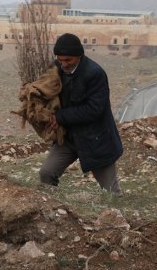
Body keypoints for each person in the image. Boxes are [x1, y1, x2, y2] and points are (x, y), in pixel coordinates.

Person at [40, 33, 123, 195]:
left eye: (68, 60)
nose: (63, 64)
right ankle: (52, 207)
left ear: (79, 56)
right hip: (69, 138)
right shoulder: (57, 69)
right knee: (47, 173)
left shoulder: (95, 74)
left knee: (112, 193)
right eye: (60, 59)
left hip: (95, 139)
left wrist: (60, 117)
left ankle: (120, 218)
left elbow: (94, 110)